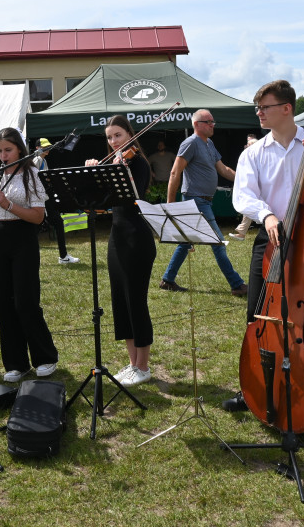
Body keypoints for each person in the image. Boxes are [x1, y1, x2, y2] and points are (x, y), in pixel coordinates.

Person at [225, 79, 304, 411]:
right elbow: (243, 196)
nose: (259, 114)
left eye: (264, 108)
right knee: (258, 315)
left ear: (286, 108)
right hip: (271, 239)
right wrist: (266, 215)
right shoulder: (253, 153)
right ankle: (254, 386)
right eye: (257, 108)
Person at [0, 127, 59, 382]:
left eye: (8, 150)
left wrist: (8, 204)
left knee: (25, 302)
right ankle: (16, 363)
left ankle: (45, 357)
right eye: (0, 150)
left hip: (24, 238)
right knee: (3, 304)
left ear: (19, 149)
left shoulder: (32, 175)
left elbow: (38, 217)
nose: (3, 155)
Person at [85, 115, 156, 387]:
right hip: (116, 237)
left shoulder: (137, 163)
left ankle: (144, 366)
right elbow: (101, 201)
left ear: (129, 134)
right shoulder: (115, 163)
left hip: (137, 238)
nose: (113, 141)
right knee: (121, 303)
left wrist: (117, 170)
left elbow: (131, 195)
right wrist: (93, 172)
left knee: (136, 301)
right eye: (109, 137)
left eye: (118, 135)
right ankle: (132, 363)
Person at [159, 109, 247, 297]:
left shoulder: (209, 144)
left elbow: (223, 169)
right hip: (195, 201)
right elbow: (175, 173)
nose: (213, 124)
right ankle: (237, 284)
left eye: (213, 121)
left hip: (203, 201)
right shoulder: (190, 143)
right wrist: (170, 205)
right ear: (197, 125)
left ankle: (167, 280)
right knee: (217, 243)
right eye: (209, 121)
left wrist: (245, 180)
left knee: (185, 242)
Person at [35, 138, 79, 264]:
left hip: (43, 198)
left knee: (45, 226)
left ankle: (63, 256)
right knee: (55, 223)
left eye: (48, 146)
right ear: (37, 148)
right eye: (44, 146)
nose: (47, 148)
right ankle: (63, 256)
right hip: (41, 199)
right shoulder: (37, 160)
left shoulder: (43, 160)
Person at [229, 135, 259, 240]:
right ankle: (241, 233)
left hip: (259, 191)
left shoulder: (256, 157)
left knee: (249, 209)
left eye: (249, 144)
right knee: (248, 209)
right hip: (254, 190)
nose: (246, 146)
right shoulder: (248, 157)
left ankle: (241, 232)